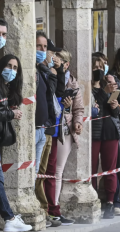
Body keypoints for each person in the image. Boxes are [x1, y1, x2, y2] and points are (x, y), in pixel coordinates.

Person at [0, 54, 32, 231]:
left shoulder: (9, 88)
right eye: (9, 66)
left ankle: (9, 218)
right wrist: (11, 114)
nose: (11, 70)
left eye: (15, 68)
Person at [33, 32, 62, 228]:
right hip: (36, 126)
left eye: (45, 47)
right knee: (36, 171)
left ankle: (44, 209)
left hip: (47, 126)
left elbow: (55, 94)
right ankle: (41, 208)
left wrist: (56, 74)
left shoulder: (46, 72)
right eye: (39, 46)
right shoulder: (35, 71)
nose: (42, 51)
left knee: (42, 171)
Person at [51, 49, 83, 217]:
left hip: (64, 129)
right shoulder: (48, 76)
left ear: (66, 64)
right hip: (49, 127)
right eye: (54, 58)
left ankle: (55, 207)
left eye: (60, 59)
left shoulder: (72, 82)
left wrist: (77, 123)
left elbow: (79, 109)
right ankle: (47, 205)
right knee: (45, 170)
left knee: (58, 170)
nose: (55, 61)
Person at [91, 56, 120, 219]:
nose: (98, 69)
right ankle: (93, 197)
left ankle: (110, 202)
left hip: (110, 131)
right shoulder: (88, 88)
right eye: (95, 67)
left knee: (110, 168)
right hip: (94, 133)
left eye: (100, 66)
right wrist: (105, 93)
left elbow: (115, 112)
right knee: (92, 168)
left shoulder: (109, 86)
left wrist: (115, 105)